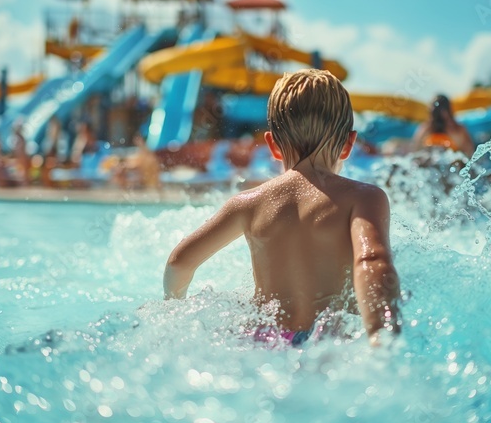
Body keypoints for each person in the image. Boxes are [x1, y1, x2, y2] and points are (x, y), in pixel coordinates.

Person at [163, 69, 402, 347]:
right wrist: (379, 335)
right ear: (349, 144)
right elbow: (372, 262)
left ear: (273, 145)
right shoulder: (364, 197)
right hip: (328, 341)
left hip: (266, 341)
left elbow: (179, 262)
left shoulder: (247, 203)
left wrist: (172, 308)